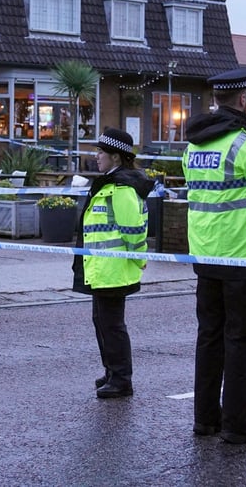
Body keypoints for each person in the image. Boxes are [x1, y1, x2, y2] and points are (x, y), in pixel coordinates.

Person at [181, 68, 246, 444]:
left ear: (217, 100)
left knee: (209, 337)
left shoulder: (195, 145)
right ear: (243, 99)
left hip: (205, 255)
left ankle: (205, 419)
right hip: (243, 259)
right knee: (240, 342)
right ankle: (237, 424)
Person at [72, 127, 154, 399]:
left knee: (112, 325)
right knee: (102, 322)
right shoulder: (111, 183)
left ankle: (121, 379)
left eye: (101, 152)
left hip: (114, 270)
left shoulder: (122, 188)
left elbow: (133, 231)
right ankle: (111, 372)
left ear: (116, 157)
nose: (96, 156)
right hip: (102, 269)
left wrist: (139, 259)